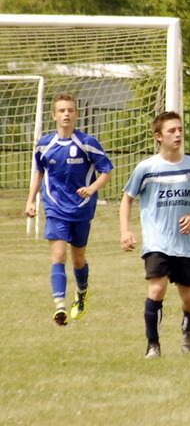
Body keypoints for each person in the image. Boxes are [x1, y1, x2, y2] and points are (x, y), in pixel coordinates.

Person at [119, 111, 190, 359]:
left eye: (180, 129)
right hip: (157, 241)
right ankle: (153, 345)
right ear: (158, 137)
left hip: (185, 244)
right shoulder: (146, 168)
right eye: (171, 131)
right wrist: (125, 231)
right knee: (157, 290)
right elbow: (127, 200)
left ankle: (188, 327)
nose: (178, 134)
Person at [24, 93, 114, 326]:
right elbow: (39, 172)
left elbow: (107, 171)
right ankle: (59, 306)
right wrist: (31, 200)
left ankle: (82, 292)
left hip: (81, 208)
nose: (66, 114)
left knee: (78, 260)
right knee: (58, 256)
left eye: (70, 110)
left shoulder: (87, 143)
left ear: (76, 114)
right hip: (54, 207)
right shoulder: (44, 144)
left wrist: (92, 188)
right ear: (54, 115)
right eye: (62, 110)